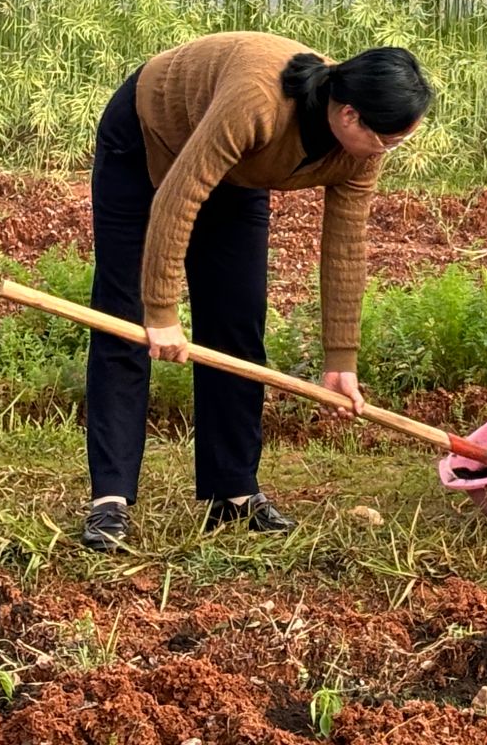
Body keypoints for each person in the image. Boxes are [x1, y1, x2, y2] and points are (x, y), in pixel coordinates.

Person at [82, 32, 432, 553]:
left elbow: (345, 246)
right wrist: (162, 311)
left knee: (237, 322)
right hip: (150, 133)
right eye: (390, 141)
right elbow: (178, 197)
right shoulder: (258, 101)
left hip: (237, 169)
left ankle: (232, 492)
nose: (389, 152)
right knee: (126, 319)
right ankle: (110, 500)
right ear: (350, 115)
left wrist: (341, 359)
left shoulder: (362, 150)